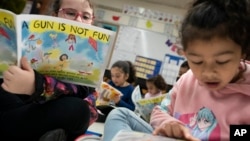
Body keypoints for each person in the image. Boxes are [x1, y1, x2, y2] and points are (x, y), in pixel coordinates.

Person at [102, 0, 250, 141]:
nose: (208, 73)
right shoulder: (187, 80)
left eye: (222, 61)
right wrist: (169, 124)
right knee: (120, 114)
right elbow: (159, 112)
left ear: (242, 52)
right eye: (197, 61)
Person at [0, 0, 98, 141]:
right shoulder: (38, 42)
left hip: (45, 115)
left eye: (86, 17)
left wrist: (37, 85)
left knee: (80, 110)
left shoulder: (88, 57)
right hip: (13, 111)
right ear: (54, 16)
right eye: (70, 13)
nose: (78, 20)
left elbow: (82, 91)